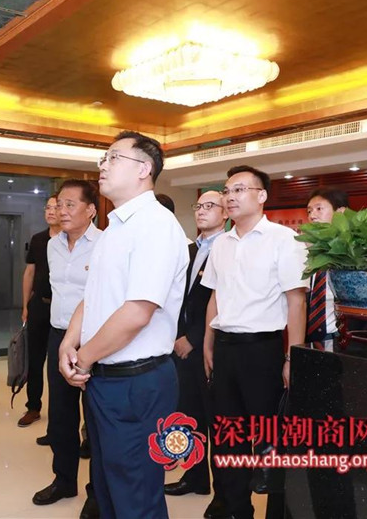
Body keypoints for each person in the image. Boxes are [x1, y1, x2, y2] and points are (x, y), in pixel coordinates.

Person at [59, 131, 189, 518]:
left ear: (144, 169)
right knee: (107, 489)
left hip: (137, 383)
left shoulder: (156, 225)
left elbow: (137, 312)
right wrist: (69, 341)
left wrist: (83, 358)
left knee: (135, 496)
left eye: (113, 158)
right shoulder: (116, 227)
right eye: (104, 158)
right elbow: (94, 296)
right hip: (105, 378)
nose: (103, 165)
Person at [201, 165, 308, 519]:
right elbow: (215, 295)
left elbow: (296, 301)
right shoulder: (221, 243)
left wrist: (293, 357)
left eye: (239, 189)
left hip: (263, 351)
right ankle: (236, 509)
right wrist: (208, 341)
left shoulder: (284, 239)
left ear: (261, 195)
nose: (230, 197)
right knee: (226, 437)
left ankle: (276, 512)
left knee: (268, 439)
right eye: (227, 190)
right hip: (225, 348)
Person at [32, 180, 100, 518]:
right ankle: (63, 480)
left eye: (70, 204)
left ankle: (97, 493)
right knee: (60, 415)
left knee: (96, 419)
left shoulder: (105, 245)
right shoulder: (52, 245)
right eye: (60, 204)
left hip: (95, 341)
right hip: (59, 337)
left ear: (91, 210)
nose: (62, 210)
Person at [163, 191, 230, 519]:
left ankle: (224, 493)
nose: (201, 211)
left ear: (225, 213)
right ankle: (195, 477)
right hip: (180, 345)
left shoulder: (230, 248)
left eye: (210, 206)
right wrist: (177, 335)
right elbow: (178, 297)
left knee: (217, 422)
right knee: (187, 416)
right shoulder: (189, 249)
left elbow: (224, 302)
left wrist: (193, 338)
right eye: (198, 206)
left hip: (209, 347)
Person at [18, 194, 61, 429]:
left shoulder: (69, 238)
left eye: (56, 207)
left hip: (63, 309)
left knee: (58, 363)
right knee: (34, 360)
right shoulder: (38, 239)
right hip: (38, 306)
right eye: (48, 207)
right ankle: (33, 407)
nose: (51, 211)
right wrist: (25, 305)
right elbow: (29, 273)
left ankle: (59, 414)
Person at [305, 187, 348, 349]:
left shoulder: (355, 252)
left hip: (342, 339)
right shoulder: (304, 249)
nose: (312, 215)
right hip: (309, 339)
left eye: (319, 209)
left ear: (340, 212)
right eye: (309, 211)